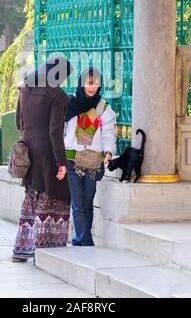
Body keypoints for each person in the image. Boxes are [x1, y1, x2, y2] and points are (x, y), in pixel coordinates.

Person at [12, 56, 73, 262]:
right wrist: (62, 163)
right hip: (48, 155)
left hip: (29, 152)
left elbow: (18, 122)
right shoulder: (56, 95)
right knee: (54, 195)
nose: (63, 82)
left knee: (31, 198)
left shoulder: (25, 88)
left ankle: (22, 250)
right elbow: (55, 132)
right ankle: (47, 249)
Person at [64, 66, 117, 246]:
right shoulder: (70, 105)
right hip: (71, 159)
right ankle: (84, 239)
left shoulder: (103, 107)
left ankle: (82, 238)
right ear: (81, 83)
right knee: (78, 202)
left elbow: (109, 133)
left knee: (87, 201)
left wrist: (108, 152)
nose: (92, 87)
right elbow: (61, 132)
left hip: (93, 161)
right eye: (89, 83)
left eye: (96, 84)